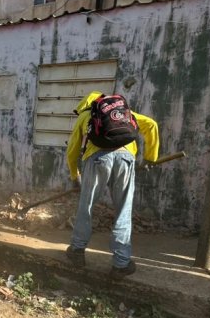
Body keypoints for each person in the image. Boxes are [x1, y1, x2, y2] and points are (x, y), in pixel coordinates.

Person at [65, 92, 159, 277]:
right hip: (125, 159)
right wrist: (150, 158)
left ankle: (77, 252)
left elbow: (72, 149)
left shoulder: (86, 115)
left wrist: (74, 175)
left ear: (86, 103)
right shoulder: (124, 113)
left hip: (96, 160)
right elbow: (152, 125)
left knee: (87, 207)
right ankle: (121, 263)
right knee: (123, 210)